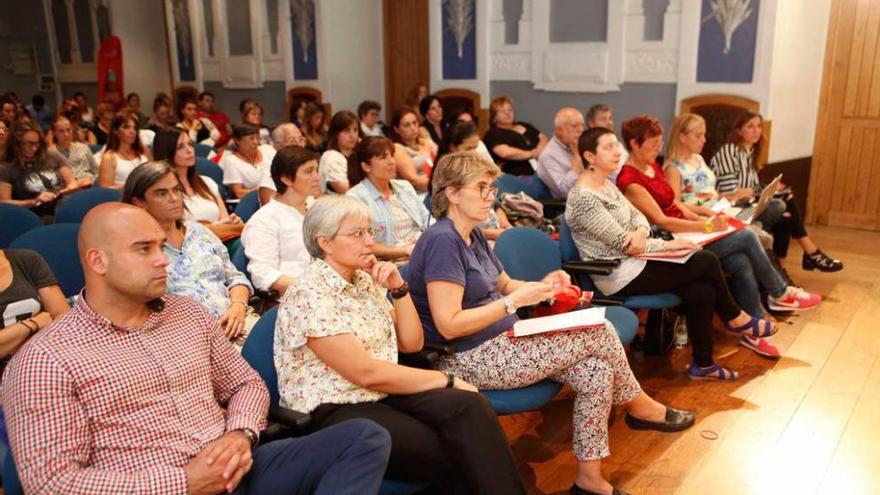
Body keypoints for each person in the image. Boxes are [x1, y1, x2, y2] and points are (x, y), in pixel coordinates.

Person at [1, 202, 392, 495]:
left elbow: (246, 386)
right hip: (155, 486)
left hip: (238, 466)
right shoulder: (45, 359)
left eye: (161, 246)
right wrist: (183, 482)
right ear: (97, 261)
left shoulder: (187, 315)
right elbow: (54, 484)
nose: (162, 261)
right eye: (144, 250)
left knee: (363, 438)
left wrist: (240, 434)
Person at [407, 151, 694, 495]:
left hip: (505, 341)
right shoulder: (442, 241)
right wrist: (512, 302)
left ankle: (589, 480)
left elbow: (506, 285)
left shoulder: (474, 233)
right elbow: (449, 324)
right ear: (452, 193)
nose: (490, 196)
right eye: (481, 188)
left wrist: (543, 287)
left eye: (491, 188)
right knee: (600, 329)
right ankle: (639, 404)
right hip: (469, 358)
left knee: (596, 371)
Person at [275, 194, 525, 494]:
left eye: (370, 232)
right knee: (451, 447)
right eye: (358, 234)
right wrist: (445, 379)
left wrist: (399, 289)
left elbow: (411, 343)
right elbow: (365, 372)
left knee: (468, 408)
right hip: (333, 408)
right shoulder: (309, 294)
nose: (369, 242)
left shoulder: (364, 281)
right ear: (325, 243)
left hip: (379, 393)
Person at [567, 126, 781, 380]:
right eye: (608, 147)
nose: (617, 152)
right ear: (590, 157)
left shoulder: (606, 186)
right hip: (617, 274)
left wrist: (639, 234)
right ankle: (735, 316)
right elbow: (624, 243)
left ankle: (703, 365)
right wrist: (666, 245)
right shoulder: (584, 197)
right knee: (706, 260)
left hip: (638, 259)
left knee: (702, 291)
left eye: (617, 145)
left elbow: (641, 221)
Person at [617, 115, 820, 356]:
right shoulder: (630, 179)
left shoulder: (652, 166)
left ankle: (754, 332)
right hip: (669, 242)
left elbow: (675, 205)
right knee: (745, 236)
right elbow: (662, 220)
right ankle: (778, 292)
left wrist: (703, 219)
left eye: (660, 143)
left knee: (741, 260)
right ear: (634, 143)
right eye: (653, 144)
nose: (658, 149)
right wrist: (708, 227)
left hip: (686, 230)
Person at [123, 161, 254, 346]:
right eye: (162, 193)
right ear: (139, 202)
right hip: (186, 343)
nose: (174, 198)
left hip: (237, 322)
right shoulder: (138, 252)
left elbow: (235, 278)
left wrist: (238, 307)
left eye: (177, 190)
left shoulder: (199, 232)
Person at [710, 111, 843, 273]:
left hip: (747, 206)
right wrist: (759, 191)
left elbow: (749, 187)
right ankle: (811, 252)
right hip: (731, 209)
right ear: (738, 131)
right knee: (784, 201)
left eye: (759, 126)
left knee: (785, 216)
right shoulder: (729, 151)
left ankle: (781, 268)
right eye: (750, 127)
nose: (756, 131)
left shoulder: (750, 154)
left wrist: (769, 188)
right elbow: (730, 192)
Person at [241, 146, 319, 295]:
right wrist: (313, 288)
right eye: (309, 171)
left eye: (316, 170)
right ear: (286, 178)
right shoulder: (264, 220)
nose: (317, 177)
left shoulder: (315, 206)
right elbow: (262, 274)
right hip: (298, 297)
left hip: (329, 286)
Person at [347, 137, 430, 262]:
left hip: (423, 251)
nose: (392, 161)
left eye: (392, 155)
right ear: (366, 166)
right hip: (395, 263)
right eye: (383, 157)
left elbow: (427, 220)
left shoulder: (404, 187)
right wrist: (407, 250)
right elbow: (364, 245)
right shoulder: (355, 198)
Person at [152, 128, 243, 240]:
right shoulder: (164, 191)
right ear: (167, 152)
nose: (189, 150)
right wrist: (215, 228)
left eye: (190, 144)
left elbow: (225, 220)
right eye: (181, 147)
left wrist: (232, 222)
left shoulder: (207, 182)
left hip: (222, 241)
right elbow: (177, 232)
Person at [438, 121, 511, 241]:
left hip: (495, 230)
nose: (474, 153)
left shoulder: (478, 169)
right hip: (476, 237)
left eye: (475, 148)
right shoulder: (444, 178)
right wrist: (493, 234)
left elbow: (496, 204)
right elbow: (455, 227)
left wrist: (505, 224)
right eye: (468, 149)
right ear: (452, 147)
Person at [0, 248, 69, 372]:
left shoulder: (26, 260)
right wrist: (32, 324)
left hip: (43, 363)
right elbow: (48, 318)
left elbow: (63, 319)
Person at [0, 120, 79, 214]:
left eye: (37, 143)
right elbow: (5, 203)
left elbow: (72, 182)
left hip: (59, 207)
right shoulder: (6, 167)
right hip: (31, 214)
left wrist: (61, 193)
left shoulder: (50, 156)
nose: (34, 148)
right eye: (29, 143)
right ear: (17, 143)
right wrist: (34, 201)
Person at [483, 96, 548, 176]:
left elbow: (543, 137)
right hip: (517, 175)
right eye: (502, 111)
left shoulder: (524, 124)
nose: (507, 113)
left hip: (542, 168)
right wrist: (532, 154)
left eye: (510, 110)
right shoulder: (493, 133)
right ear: (494, 116)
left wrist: (538, 151)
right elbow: (505, 152)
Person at [537, 107, 586, 199]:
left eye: (582, 125)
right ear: (559, 130)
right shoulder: (549, 156)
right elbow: (565, 192)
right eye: (575, 126)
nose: (581, 130)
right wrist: (576, 164)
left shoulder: (578, 146)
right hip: (568, 207)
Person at [97, 110, 150, 189]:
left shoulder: (143, 150)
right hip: (122, 198)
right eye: (126, 127)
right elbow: (105, 190)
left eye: (135, 128)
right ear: (116, 131)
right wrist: (130, 186)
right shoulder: (109, 157)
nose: (132, 131)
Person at [389, 106, 436, 193]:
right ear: (397, 129)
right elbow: (414, 180)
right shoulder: (397, 148)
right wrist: (442, 182)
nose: (413, 128)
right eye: (407, 125)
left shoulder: (427, 142)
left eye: (415, 123)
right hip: (417, 194)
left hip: (435, 188)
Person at [257, 123, 306, 205]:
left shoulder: (309, 170)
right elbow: (271, 211)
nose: (299, 145)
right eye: (292, 141)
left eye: (301, 140)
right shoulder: (269, 174)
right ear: (277, 146)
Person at [221, 123, 274, 198]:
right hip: (256, 202)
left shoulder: (267, 149)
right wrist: (264, 191)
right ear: (238, 141)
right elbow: (239, 193)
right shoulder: (232, 161)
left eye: (258, 138)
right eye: (251, 138)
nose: (256, 142)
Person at [48, 114, 97, 187]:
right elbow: (53, 180)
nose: (66, 134)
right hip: (71, 189)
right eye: (61, 131)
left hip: (91, 184)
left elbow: (95, 170)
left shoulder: (83, 147)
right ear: (54, 133)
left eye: (68, 130)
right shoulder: (51, 152)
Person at [319, 110, 360, 194]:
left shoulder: (358, 155)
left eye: (355, 130)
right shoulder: (331, 157)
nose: (352, 135)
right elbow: (345, 190)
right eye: (346, 131)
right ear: (336, 134)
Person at [585, 104, 628, 182]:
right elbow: (614, 174)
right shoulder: (589, 147)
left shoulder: (618, 144)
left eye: (610, 118)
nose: (609, 123)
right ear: (591, 123)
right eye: (603, 119)